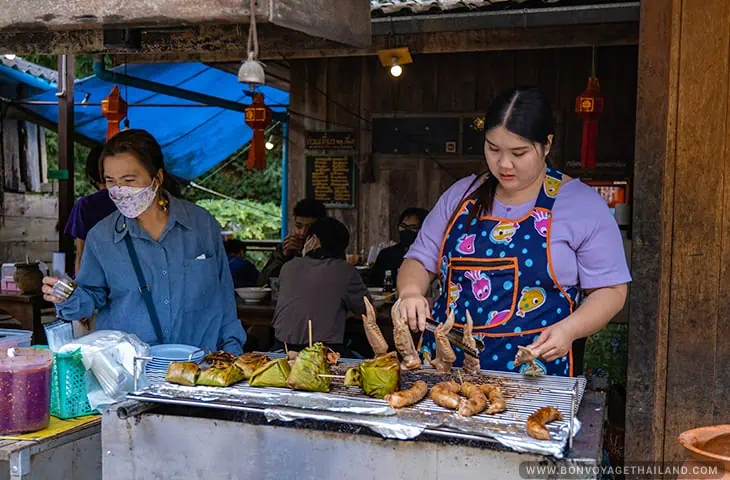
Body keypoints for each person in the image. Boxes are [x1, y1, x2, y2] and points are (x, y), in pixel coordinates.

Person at [396, 87, 630, 377]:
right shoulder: (461, 196)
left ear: (547, 145)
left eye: (518, 153)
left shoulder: (581, 205)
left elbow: (611, 290)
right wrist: (409, 292)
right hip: (444, 372)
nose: (504, 164)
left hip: (534, 374)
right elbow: (418, 260)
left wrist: (570, 330)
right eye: (493, 149)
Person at [41, 129, 246, 354]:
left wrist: (231, 349)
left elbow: (224, 296)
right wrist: (66, 296)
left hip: (199, 366)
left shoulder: (201, 224)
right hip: (130, 371)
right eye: (111, 181)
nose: (120, 191)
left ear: (157, 178)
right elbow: (90, 299)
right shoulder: (101, 237)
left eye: (129, 180)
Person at [271, 217, 370, 356]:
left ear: (314, 240)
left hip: (282, 348)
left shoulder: (288, 267)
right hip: (324, 353)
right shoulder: (345, 270)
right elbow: (369, 313)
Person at [64, 145, 118, 275]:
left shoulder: (85, 205)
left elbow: (81, 256)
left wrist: (80, 291)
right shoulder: (132, 202)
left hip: (96, 281)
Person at [257, 199, 327, 286]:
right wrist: (283, 256)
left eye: (310, 228)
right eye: (299, 226)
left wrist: (303, 255)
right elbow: (261, 284)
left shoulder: (328, 251)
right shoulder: (285, 248)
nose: (302, 233)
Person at [369, 207, 429, 287]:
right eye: (403, 226)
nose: (407, 231)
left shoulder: (429, 256)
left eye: (413, 228)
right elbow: (374, 283)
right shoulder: (386, 255)